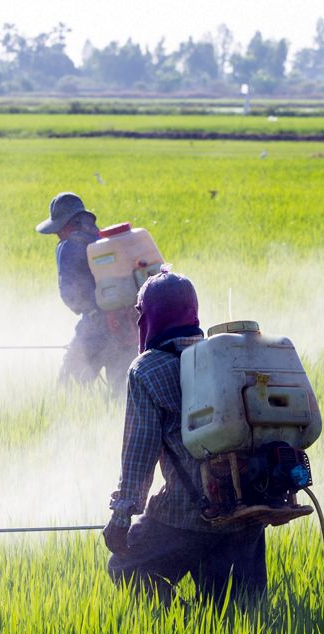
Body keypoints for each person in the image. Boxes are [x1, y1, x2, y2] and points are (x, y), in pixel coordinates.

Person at [101, 272, 267, 606]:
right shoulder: (228, 358)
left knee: (126, 567)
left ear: (150, 316)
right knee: (239, 619)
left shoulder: (147, 369)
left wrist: (121, 516)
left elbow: (139, 454)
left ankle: (184, 622)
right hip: (247, 510)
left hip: (184, 515)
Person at [36, 192, 139, 396]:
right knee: (122, 396)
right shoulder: (102, 240)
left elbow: (70, 295)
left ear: (65, 224)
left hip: (95, 327)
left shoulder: (67, 247)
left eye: (57, 229)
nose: (57, 234)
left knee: (69, 390)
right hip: (128, 326)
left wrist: (88, 314)